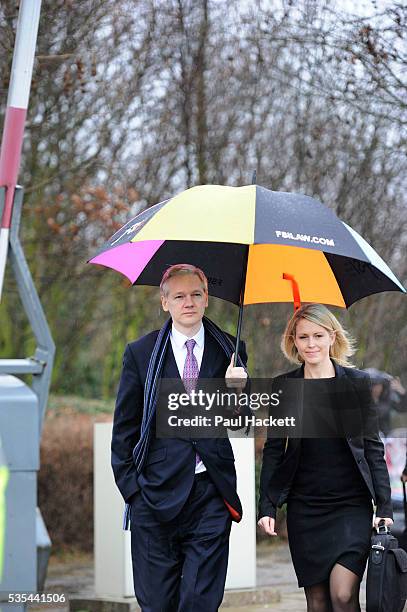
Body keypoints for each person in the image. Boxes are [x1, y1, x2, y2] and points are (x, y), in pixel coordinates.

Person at [111, 263, 248, 612]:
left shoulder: (230, 350)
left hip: (210, 495)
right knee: (157, 604)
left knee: (200, 602)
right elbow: (124, 431)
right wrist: (134, 492)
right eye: (180, 296)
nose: (188, 302)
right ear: (164, 302)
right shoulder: (140, 354)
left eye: (196, 295)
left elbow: (240, 421)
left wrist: (237, 390)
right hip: (154, 497)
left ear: (207, 300)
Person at [258, 303, 393, 612]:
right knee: (317, 602)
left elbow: (373, 448)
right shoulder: (285, 387)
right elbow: (275, 450)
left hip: (351, 506)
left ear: (332, 337)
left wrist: (384, 505)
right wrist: (267, 505)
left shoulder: (357, 385)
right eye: (303, 337)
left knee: (343, 595)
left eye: (318, 335)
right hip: (306, 509)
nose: (311, 344)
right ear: (293, 340)